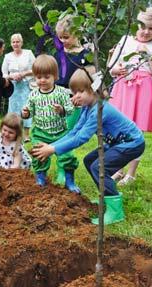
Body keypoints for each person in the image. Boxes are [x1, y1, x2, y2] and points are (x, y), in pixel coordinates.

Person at [31, 68, 145, 225]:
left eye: (80, 91)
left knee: (99, 167)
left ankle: (115, 211)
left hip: (132, 143)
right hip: (118, 143)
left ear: (94, 89)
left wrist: (52, 150)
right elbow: (74, 132)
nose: (76, 96)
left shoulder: (100, 109)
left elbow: (81, 138)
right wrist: (51, 146)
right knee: (89, 160)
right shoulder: (87, 108)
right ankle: (106, 197)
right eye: (74, 92)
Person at [108, 8, 152, 185]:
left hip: (143, 90)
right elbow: (111, 66)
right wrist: (115, 70)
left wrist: (148, 56)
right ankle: (118, 170)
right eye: (142, 27)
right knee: (118, 129)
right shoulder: (125, 40)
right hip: (123, 87)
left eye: (151, 28)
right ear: (135, 26)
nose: (146, 32)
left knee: (136, 132)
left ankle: (131, 174)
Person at [21, 54, 80, 193]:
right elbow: (29, 110)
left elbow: (71, 109)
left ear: (55, 76)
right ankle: (41, 179)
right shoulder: (33, 94)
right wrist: (26, 113)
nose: (42, 80)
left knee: (67, 157)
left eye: (47, 77)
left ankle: (70, 182)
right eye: (39, 77)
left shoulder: (61, 92)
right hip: (41, 133)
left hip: (60, 133)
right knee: (39, 156)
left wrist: (62, 110)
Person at [54, 14, 94, 183]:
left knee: (68, 134)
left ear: (76, 34)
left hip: (75, 100)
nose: (63, 41)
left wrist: (82, 96)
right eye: (60, 38)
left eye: (67, 37)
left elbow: (91, 78)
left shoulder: (85, 55)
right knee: (57, 133)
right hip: (57, 99)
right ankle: (60, 167)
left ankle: (65, 170)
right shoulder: (59, 54)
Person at [2, 33, 35, 142]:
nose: (15, 44)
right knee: (13, 109)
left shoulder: (28, 53)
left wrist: (24, 74)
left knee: (26, 108)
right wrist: (12, 76)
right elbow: (3, 73)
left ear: (21, 42)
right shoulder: (7, 56)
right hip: (13, 86)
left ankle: (26, 134)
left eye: (18, 41)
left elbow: (36, 69)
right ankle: (13, 132)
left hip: (25, 85)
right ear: (11, 44)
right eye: (13, 42)